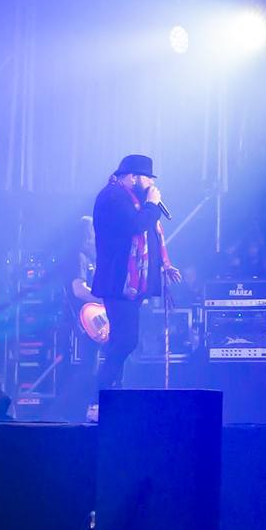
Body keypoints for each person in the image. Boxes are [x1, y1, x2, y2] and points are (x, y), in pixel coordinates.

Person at [88, 153, 178, 400]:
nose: (150, 184)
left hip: (129, 285)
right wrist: (151, 204)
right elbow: (136, 226)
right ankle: (98, 397)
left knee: (123, 341)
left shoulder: (128, 199)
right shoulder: (112, 197)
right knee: (125, 341)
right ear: (132, 177)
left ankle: (111, 394)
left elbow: (145, 232)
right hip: (118, 283)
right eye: (147, 178)